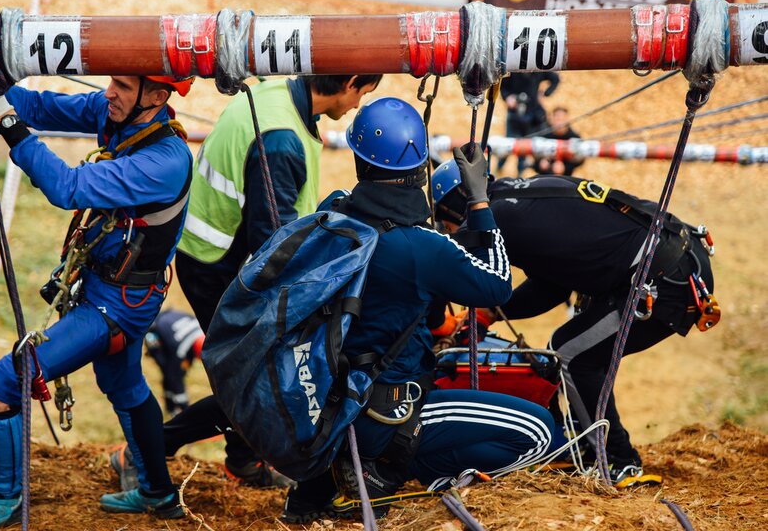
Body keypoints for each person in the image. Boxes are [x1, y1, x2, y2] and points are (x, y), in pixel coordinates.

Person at [283, 97, 554, 523]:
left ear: (359, 163)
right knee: (540, 430)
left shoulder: (333, 213)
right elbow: (498, 284)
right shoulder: (422, 246)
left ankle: (351, 473)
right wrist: (480, 201)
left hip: (328, 403)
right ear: (418, 169)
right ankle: (386, 470)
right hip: (387, 412)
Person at [0, 73, 195, 527]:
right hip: (110, 289)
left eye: (122, 86)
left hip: (120, 306)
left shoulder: (165, 160)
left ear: (156, 97)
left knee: (4, 382)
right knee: (125, 386)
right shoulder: (118, 114)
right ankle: (158, 492)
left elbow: (67, 188)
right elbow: (40, 106)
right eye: (112, 82)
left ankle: (3, 498)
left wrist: (5, 118)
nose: (109, 93)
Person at [430, 164, 717, 484]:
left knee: (574, 355)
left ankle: (618, 460)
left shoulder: (494, 219)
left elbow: (450, 275)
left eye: (445, 221)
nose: (449, 229)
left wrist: (465, 315)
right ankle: (585, 440)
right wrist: (489, 314)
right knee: (568, 344)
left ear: (454, 207)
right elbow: (552, 284)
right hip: (676, 257)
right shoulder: (518, 196)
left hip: (663, 278)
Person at [163, 74, 381, 487]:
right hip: (215, 262)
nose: (357, 106)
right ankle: (151, 448)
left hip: (212, 247)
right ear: (349, 82)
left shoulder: (279, 94)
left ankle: (243, 460)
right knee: (250, 374)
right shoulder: (281, 142)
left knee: (249, 370)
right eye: (363, 94)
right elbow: (274, 246)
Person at [143, 309, 205, 417]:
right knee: (168, 371)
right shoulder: (180, 350)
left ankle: (171, 404)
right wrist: (185, 406)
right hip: (154, 333)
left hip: (169, 319)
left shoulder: (201, 330)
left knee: (176, 372)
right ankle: (171, 406)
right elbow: (175, 377)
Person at [498, 71, 560, 177]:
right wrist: (508, 97)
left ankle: (520, 175)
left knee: (525, 145)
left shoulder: (537, 70)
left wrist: (546, 93)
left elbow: (555, 78)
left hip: (532, 113)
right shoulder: (513, 70)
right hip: (515, 113)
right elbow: (502, 86)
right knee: (509, 144)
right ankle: (499, 168)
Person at [534, 106, 583, 176]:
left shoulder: (574, 138)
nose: (560, 123)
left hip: (566, 178)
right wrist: (540, 164)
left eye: (562, 119)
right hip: (544, 177)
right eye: (557, 119)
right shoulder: (544, 135)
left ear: (567, 120)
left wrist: (565, 167)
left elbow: (580, 160)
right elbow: (533, 157)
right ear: (552, 120)